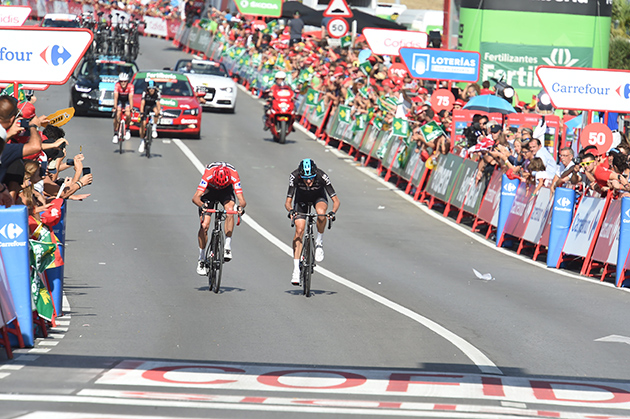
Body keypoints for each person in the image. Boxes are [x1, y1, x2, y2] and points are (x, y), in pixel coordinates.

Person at [285, 159, 340, 285]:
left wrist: (333, 212)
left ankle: (319, 242)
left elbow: (336, 201)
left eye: (311, 178)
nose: (308, 181)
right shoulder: (294, 177)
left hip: (318, 197)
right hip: (301, 200)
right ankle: (295, 270)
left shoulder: (322, 176)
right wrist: (291, 210)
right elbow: (288, 201)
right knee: (299, 230)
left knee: (321, 213)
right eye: (305, 178)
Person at [192, 162, 246, 275]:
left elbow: (242, 200)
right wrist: (202, 205)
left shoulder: (233, 175)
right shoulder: (208, 174)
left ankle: (227, 246)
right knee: (204, 225)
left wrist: (240, 207)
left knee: (230, 210)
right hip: (209, 191)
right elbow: (195, 197)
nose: (219, 185)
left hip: (226, 192)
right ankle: (201, 258)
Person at [138, 80, 162, 154]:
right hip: (146, 106)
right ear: (148, 88)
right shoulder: (145, 92)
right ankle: (142, 141)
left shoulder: (157, 93)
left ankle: (154, 128)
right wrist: (141, 112)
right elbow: (142, 103)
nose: (151, 90)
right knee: (143, 124)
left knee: (156, 112)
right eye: (150, 88)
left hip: (152, 105)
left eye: (153, 88)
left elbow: (158, 104)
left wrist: (159, 112)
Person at [113, 72, 134, 144]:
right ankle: (115, 133)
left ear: (127, 81)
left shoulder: (130, 86)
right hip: (119, 99)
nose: (123, 83)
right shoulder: (117, 85)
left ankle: (127, 129)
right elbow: (115, 97)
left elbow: (131, 98)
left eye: (125, 81)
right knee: (118, 114)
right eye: (121, 81)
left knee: (128, 114)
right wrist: (115, 107)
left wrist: (131, 108)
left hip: (127, 100)